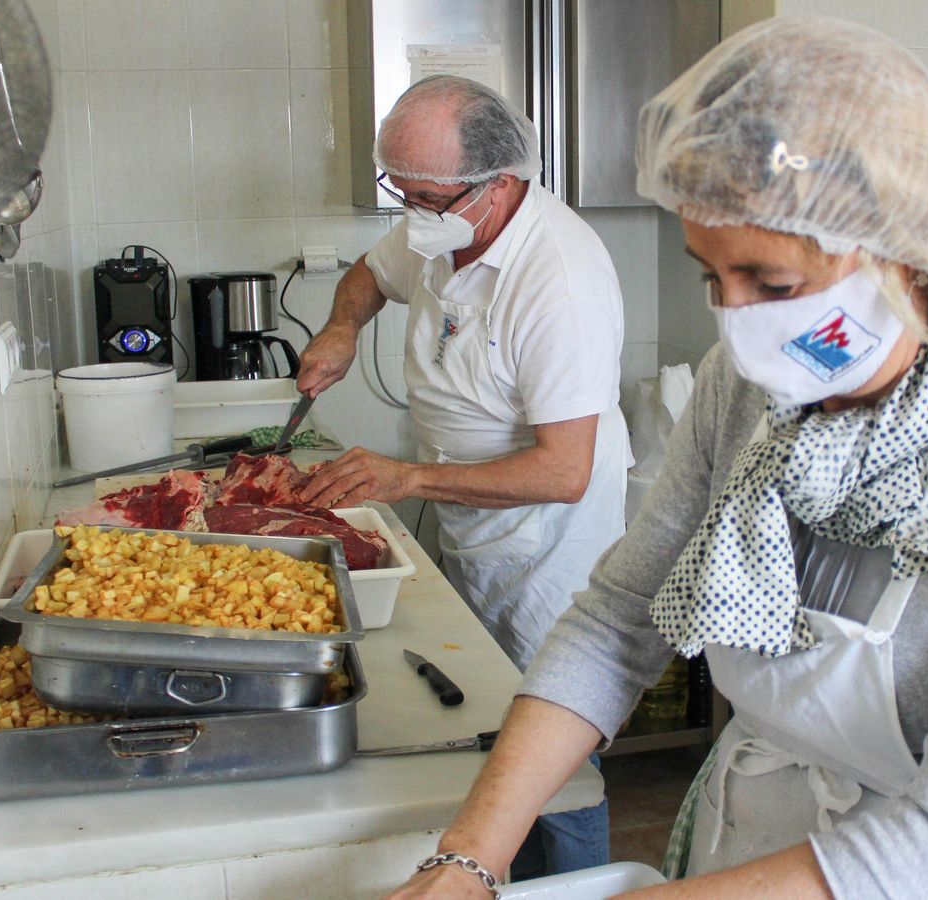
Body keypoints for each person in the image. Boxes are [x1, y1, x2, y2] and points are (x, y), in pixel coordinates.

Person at [387, 17, 928, 900]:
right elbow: (616, 624)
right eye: (713, 278)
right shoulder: (750, 387)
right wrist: (466, 861)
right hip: (747, 853)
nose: (740, 326)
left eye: (775, 284)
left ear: (907, 245)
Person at [294, 74, 627, 876]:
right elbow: (368, 277)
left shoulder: (559, 279)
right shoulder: (441, 225)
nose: (411, 211)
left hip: (552, 544)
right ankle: (486, 874)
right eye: (397, 190)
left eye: (426, 196)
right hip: (469, 509)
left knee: (557, 750)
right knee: (487, 714)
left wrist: (406, 479)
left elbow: (563, 471)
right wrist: (341, 331)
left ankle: (572, 887)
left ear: (500, 185)